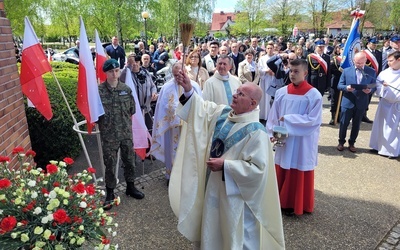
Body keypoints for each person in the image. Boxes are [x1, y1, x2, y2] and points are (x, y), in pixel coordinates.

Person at [169, 72, 285, 249]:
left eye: (241, 94)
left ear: (253, 103)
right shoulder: (223, 113)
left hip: (234, 199)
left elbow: (258, 171)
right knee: (211, 227)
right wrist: (188, 89)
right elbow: (200, 109)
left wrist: (226, 166)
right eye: (236, 91)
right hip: (212, 187)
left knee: (230, 234)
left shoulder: (257, 133)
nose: (235, 95)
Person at [266, 59, 322, 216]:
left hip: (303, 141)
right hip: (284, 138)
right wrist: (271, 132)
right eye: (290, 71)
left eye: (296, 71)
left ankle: (296, 204)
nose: (292, 74)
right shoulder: (281, 92)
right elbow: (273, 115)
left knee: (298, 166)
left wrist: (289, 119)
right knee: (283, 165)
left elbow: (313, 120)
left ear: (305, 73)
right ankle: (279, 200)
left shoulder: (313, 95)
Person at [97, 59, 145, 211]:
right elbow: (95, 114)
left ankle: (130, 187)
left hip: (125, 133)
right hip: (109, 136)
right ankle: (110, 193)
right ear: (105, 72)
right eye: (111, 71)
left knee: (130, 161)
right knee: (110, 165)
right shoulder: (99, 92)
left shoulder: (126, 89)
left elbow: (132, 109)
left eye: (117, 70)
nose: (114, 74)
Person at [150, 62, 202, 183]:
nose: (178, 77)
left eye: (180, 74)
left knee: (187, 152)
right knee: (172, 153)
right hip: (171, 128)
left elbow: (200, 105)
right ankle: (171, 177)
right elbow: (162, 108)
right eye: (175, 75)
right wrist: (175, 115)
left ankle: (186, 177)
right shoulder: (166, 87)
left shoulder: (194, 86)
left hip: (188, 127)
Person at [337, 52, 376, 153]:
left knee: (356, 124)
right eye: (356, 62)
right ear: (353, 60)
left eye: (360, 63)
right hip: (348, 101)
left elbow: (374, 85)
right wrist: (346, 87)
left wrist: (370, 90)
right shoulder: (346, 71)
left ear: (365, 61)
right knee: (344, 123)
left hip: (361, 102)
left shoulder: (371, 71)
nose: (358, 64)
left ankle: (352, 143)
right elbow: (339, 85)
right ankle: (341, 142)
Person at [369, 51, 400, 159]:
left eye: (391, 61)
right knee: (380, 126)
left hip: (397, 106)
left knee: (394, 128)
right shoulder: (385, 73)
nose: (389, 63)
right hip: (385, 104)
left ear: (399, 60)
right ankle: (377, 146)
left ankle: (392, 151)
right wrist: (384, 87)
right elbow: (377, 87)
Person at [120, 54, 157, 131]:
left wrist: (153, 93)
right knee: (137, 134)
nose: (135, 64)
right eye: (133, 62)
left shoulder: (146, 73)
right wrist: (128, 66)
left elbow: (153, 86)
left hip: (147, 110)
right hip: (134, 113)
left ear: (140, 62)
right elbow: (121, 79)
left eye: (137, 61)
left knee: (149, 131)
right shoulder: (126, 74)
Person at [362, 37, 383, 123]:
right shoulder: (363, 53)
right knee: (362, 96)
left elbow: (380, 65)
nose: (374, 45)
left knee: (369, 96)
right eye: (373, 43)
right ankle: (359, 114)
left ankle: (364, 114)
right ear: (368, 44)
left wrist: (379, 76)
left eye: (375, 44)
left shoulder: (378, 53)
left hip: (373, 78)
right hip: (364, 78)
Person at [258, 43, 276, 121]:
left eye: (271, 48)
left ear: (273, 49)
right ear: (266, 49)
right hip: (265, 80)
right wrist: (266, 71)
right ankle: (263, 115)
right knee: (265, 98)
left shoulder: (276, 58)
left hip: (274, 80)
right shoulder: (262, 59)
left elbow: (280, 68)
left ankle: (272, 116)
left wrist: (275, 72)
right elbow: (259, 69)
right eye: (268, 48)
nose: (269, 50)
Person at [328, 44, 344, 125]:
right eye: (342, 49)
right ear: (338, 49)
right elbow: (331, 70)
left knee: (342, 100)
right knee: (334, 99)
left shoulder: (350, 60)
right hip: (335, 81)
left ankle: (339, 116)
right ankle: (333, 117)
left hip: (345, 82)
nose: (343, 50)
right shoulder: (334, 58)